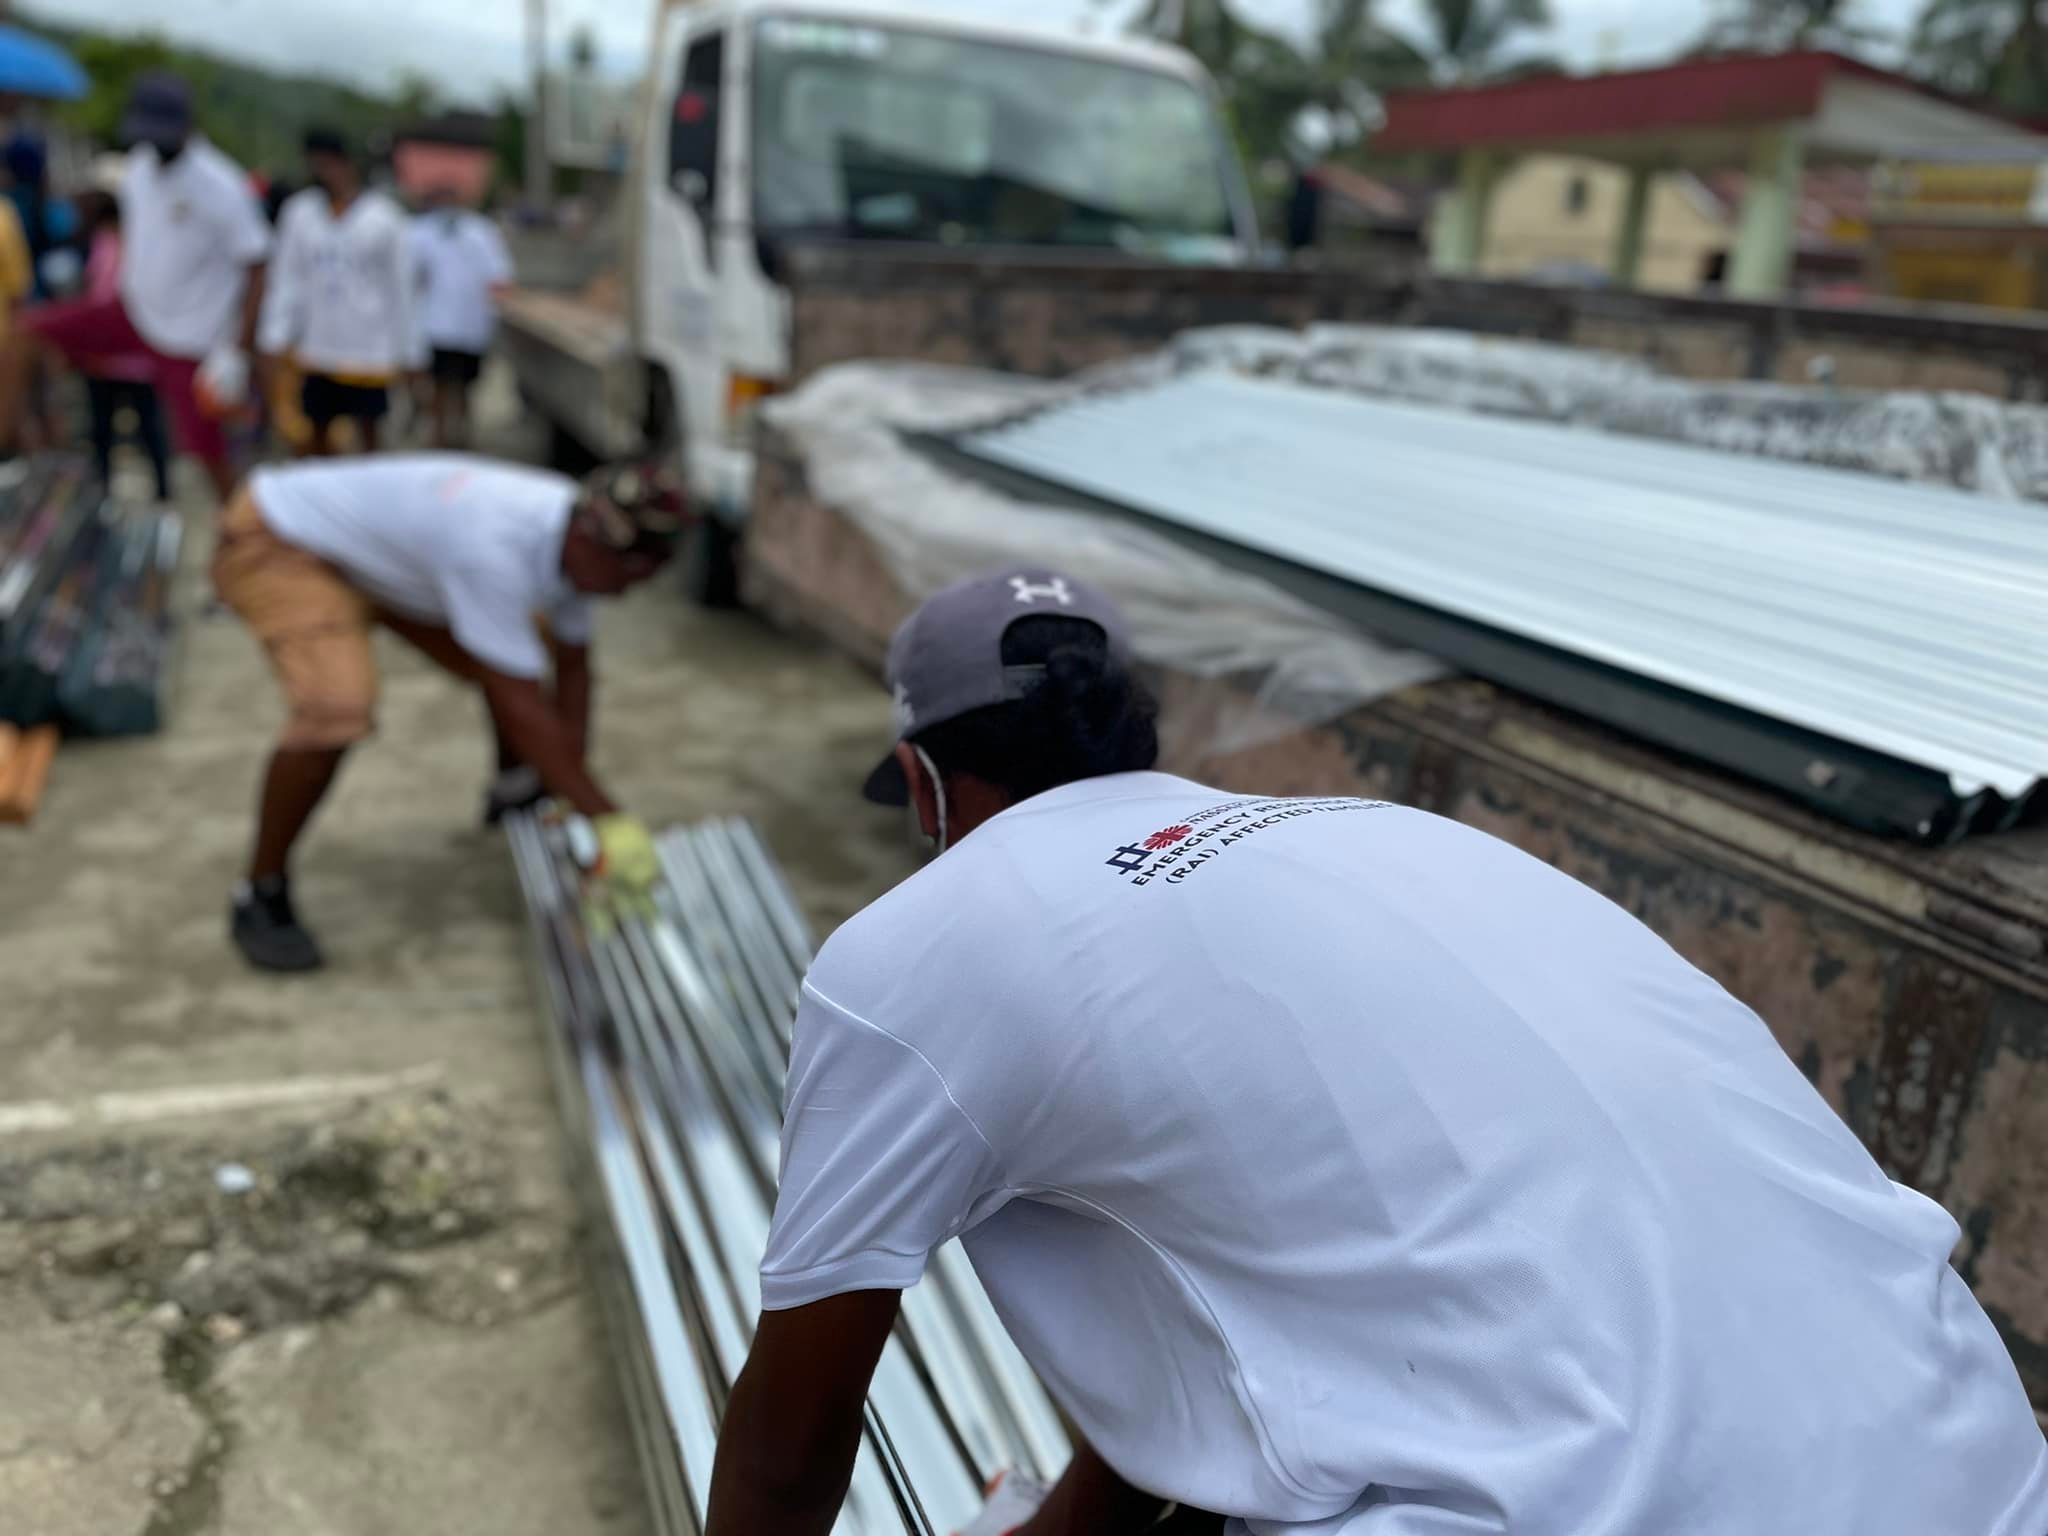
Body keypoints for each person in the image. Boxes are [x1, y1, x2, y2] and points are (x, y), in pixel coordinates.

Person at [704, 568, 2048, 1536]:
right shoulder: (1385, 838)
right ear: (1140, 737)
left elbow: (793, 1442)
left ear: (926, 785)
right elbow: (1286, 1298)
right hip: (1974, 1457)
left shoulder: (921, 948)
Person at [212, 454, 686, 972]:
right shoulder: (494, 547)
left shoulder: (575, 532)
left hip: (378, 553)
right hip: (283, 538)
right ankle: (259, 892)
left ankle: (521, 787)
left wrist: (574, 797)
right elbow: (520, 700)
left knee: (522, 645)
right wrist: (607, 817)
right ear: (593, 543)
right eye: (628, 578)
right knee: (337, 706)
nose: (625, 594)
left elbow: (574, 670)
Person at [0, 74, 269, 502]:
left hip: (191, 339)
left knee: (208, 456)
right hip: (131, 312)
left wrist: (238, 350)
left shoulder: (221, 186)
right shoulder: (140, 165)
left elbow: (257, 266)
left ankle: (246, 538)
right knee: (23, 333)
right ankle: (12, 456)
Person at [259, 128, 422, 456]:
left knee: (369, 434)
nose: (323, 172)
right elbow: (286, 279)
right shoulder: (300, 213)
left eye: (329, 164)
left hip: (369, 349)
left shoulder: (386, 219)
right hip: (317, 346)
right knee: (314, 432)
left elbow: (402, 290)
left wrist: (411, 352)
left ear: (348, 165)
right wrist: (273, 336)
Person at [74, 180, 173, 502]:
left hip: (134, 358)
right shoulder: (101, 243)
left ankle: (162, 491)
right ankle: (104, 492)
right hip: (100, 358)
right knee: (102, 428)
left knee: (149, 428)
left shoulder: (140, 243)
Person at [408, 185, 512, 449]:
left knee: (466, 386)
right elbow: (409, 275)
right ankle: (439, 436)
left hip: (471, 324)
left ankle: (463, 438)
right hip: (436, 324)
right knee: (439, 384)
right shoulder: (419, 231)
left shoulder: (482, 231)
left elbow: (499, 275)